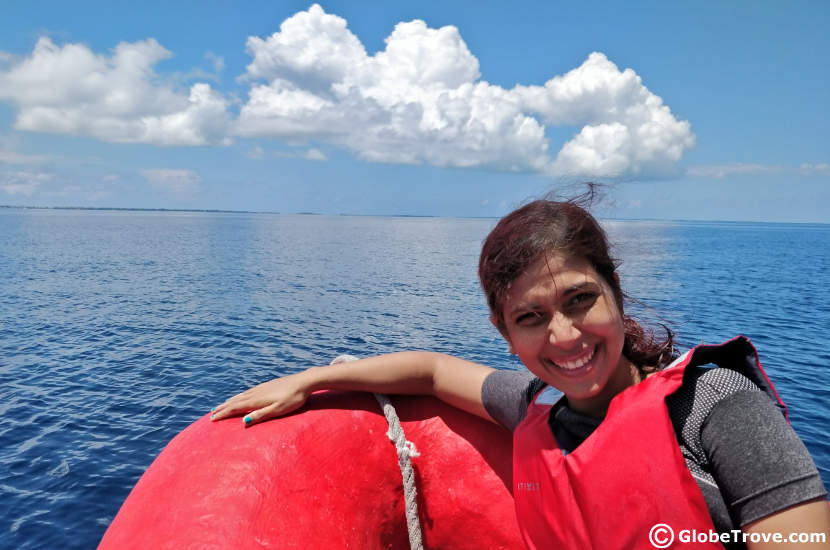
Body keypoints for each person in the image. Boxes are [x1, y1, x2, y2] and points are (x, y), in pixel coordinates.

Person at [211, 195, 829, 549]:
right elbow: (430, 372)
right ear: (505, 333)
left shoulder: (714, 407)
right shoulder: (534, 405)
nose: (564, 336)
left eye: (580, 299)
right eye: (531, 317)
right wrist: (314, 378)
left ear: (616, 291)